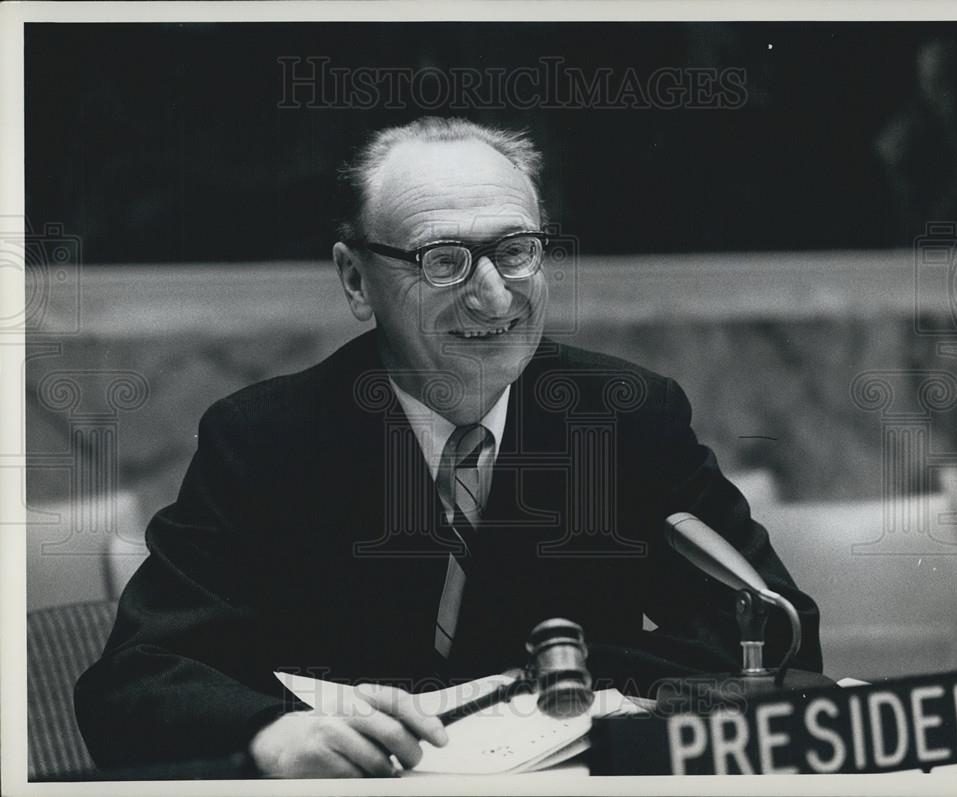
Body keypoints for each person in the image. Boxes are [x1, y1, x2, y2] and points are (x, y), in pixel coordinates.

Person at [75, 116, 822, 778]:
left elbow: (775, 634)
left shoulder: (626, 417)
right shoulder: (265, 440)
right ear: (356, 279)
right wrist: (274, 731)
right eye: (444, 259)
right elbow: (138, 677)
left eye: (517, 250)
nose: (493, 295)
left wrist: (589, 676)